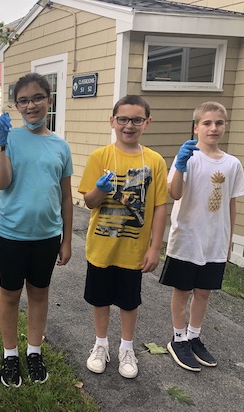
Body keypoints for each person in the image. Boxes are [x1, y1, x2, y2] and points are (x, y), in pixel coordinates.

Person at [0, 72, 73, 387]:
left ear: (49, 100)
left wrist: (67, 240)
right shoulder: (8, 138)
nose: (31, 105)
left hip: (47, 236)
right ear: (16, 105)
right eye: (23, 100)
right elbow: (2, 183)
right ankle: (10, 354)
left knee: (39, 294)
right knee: (10, 295)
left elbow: (66, 196)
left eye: (37, 97)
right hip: (11, 233)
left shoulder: (60, 146)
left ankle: (34, 351)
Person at [78, 95, 168, 379]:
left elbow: (159, 207)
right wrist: (100, 190)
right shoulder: (99, 157)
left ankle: (126, 348)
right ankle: (101, 344)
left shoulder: (155, 161)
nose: (129, 125)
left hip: (134, 249)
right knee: (100, 299)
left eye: (137, 120)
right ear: (112, 121)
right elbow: (89, 202)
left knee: (129, 302)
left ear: (147, 123)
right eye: (123, 119)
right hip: (102, 246)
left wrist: (155, 248)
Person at [159, 102, 244, 372]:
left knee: (204, 292)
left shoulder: (233, 164)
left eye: (219, 123)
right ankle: (178, 338)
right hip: (187, 236)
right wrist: (181, 165)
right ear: (196, 127)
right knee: (183, 291)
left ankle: (194, 336)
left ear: (225, 126)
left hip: (214, 240)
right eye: (207, 123)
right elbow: (174, 192)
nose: (213, 128)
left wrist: (229, 240)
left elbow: (231, 204)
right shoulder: (189, 157)